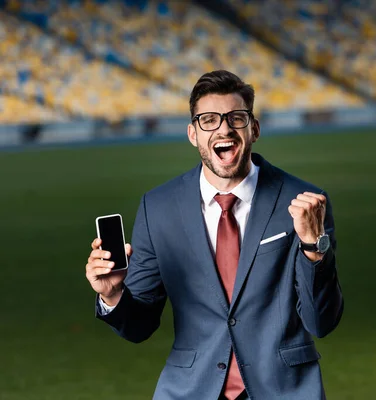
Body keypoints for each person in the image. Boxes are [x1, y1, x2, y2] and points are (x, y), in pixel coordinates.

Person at [85, 70, 344, 400]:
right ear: (193, 134)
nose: (223, 128)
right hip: (190, 391)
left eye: (236, 118)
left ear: (254, 130)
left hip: (284, 390)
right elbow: (139, 327)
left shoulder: (305, 202)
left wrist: (313, 248)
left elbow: (321, 322)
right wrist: (112, 295)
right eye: (208, 119)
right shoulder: (158, 207)